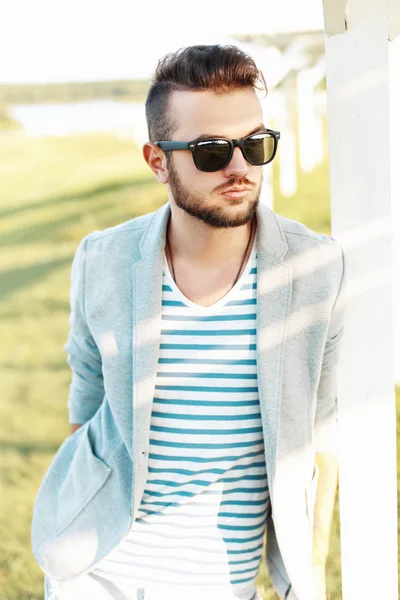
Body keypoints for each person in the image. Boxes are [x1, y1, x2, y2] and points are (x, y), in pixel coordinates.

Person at [31, 44, 346, 600]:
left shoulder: (315, 270)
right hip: (94, 572)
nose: (239, 168)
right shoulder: (102, 260)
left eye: (254, 145)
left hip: (217, 581)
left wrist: (309, 574)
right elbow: (87, 397)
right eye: (209, 151)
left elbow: (320, 439)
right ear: (157, 161)